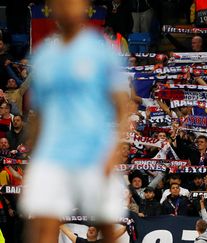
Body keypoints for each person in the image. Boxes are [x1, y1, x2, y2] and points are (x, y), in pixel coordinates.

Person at [18, 0, 130, 242]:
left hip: (94, 153)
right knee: (42, 226)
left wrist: (113, 151)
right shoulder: (43, 57)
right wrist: (33, 156)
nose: (67, 7)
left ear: (84, 7)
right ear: (53, 9)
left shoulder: (101, 51)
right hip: (52, 154)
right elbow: (39, 114)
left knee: (108, 227)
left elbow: (122, 106)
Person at [59, 224, 127, 243]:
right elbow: (67, 232)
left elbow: (115, 235)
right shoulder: (80, 241)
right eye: (89, 230)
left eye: (93, 230)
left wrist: (128, 225)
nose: (91, 230)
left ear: (97, 233)